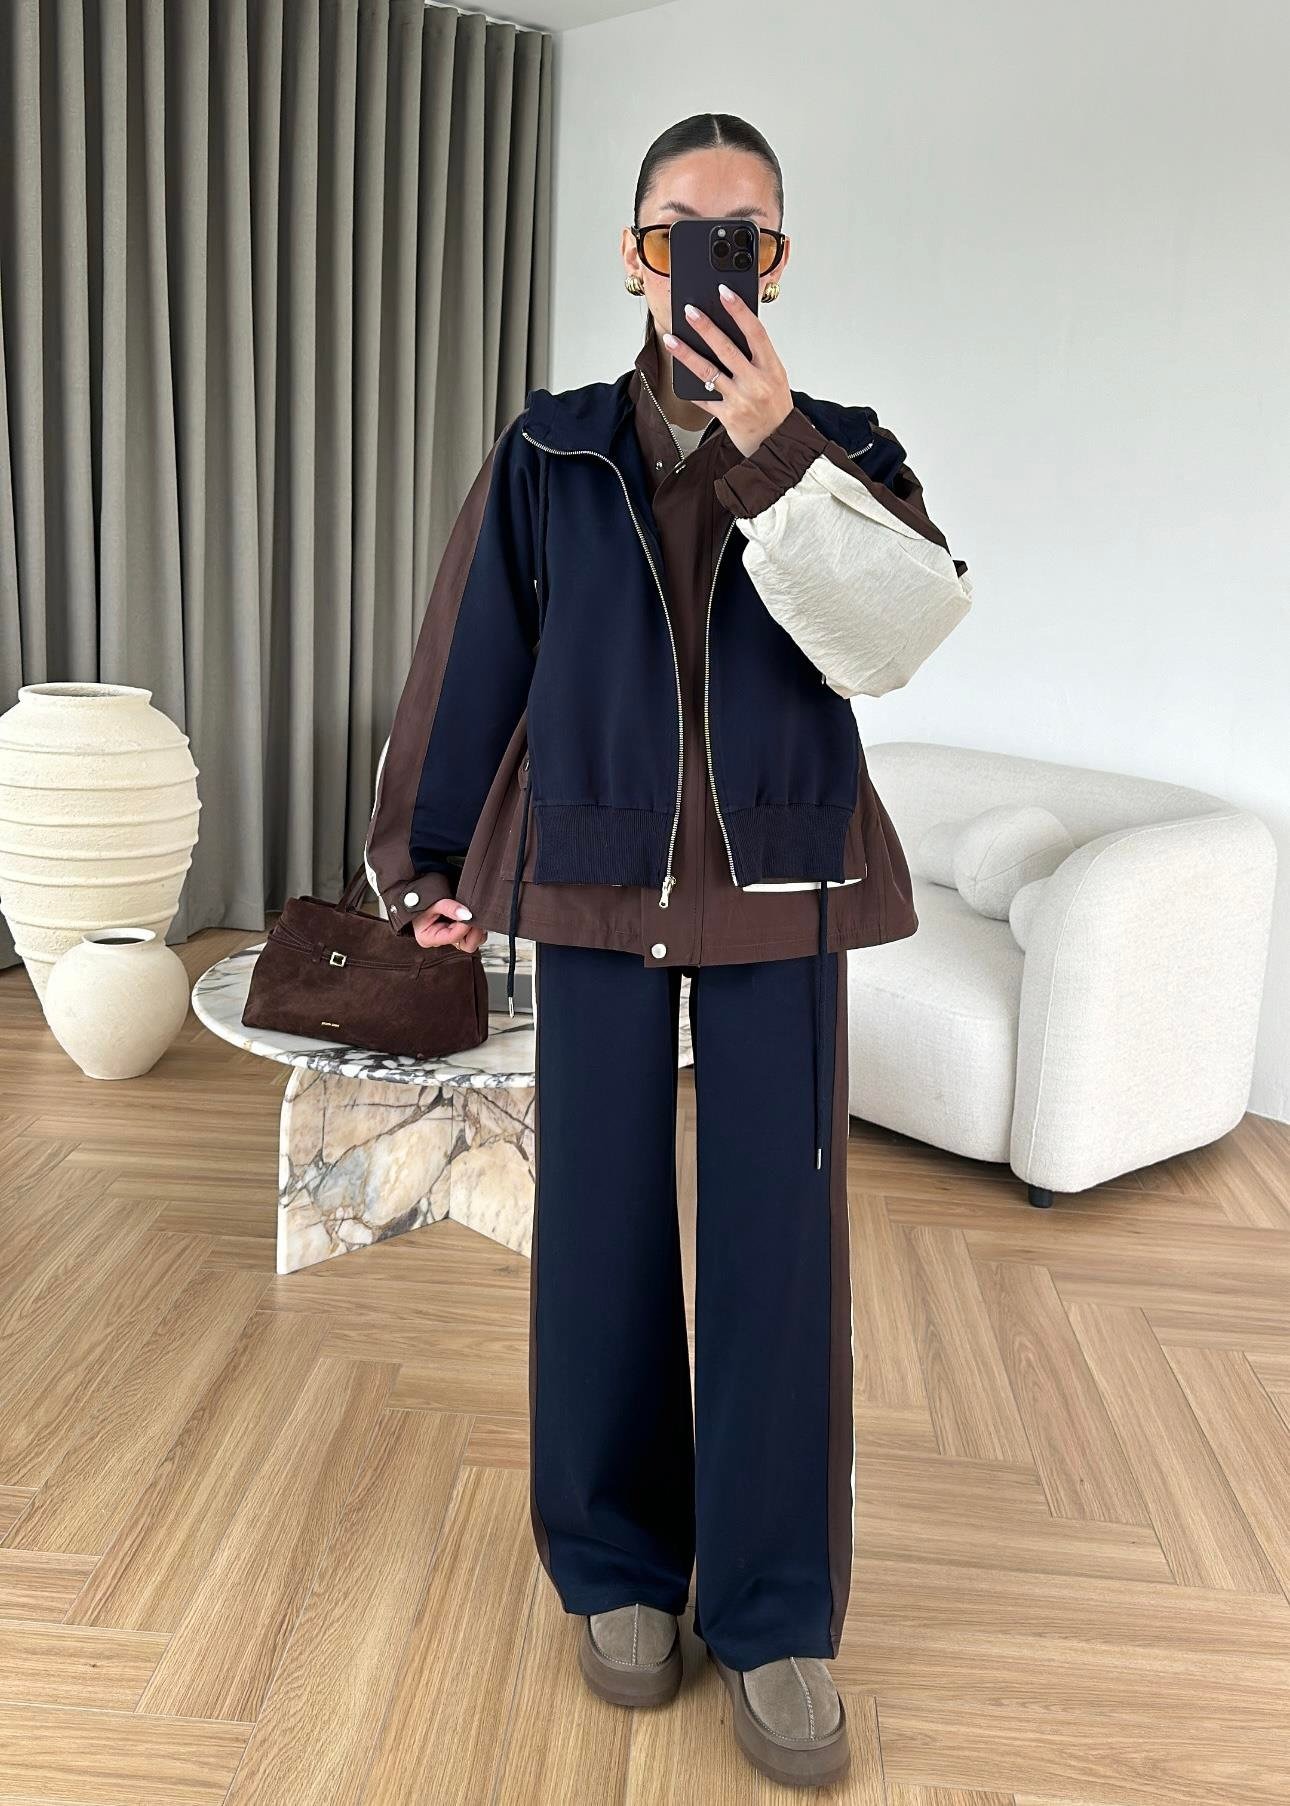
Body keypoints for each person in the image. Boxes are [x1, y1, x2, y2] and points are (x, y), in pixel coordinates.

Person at [363, 112, 972, 1790]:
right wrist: (425, 857)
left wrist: (775, 446)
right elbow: (473, 652)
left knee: (779, 1248)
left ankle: (774, 1614)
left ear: (776, 261)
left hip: (783, 877)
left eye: (742, 233)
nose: (706, 259)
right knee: (600, 1233)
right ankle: (618, 1567)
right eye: (675, 230)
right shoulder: (552, 445)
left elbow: (894, 637)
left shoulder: (847, 446)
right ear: (631, 255)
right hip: (594, 871)